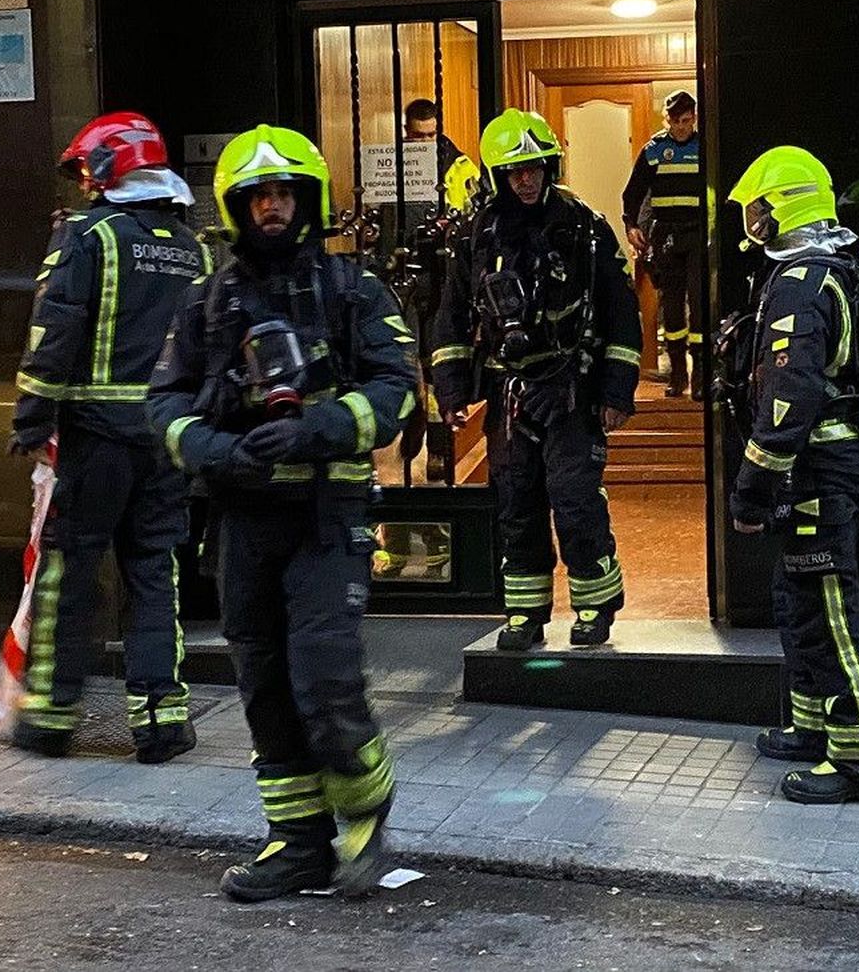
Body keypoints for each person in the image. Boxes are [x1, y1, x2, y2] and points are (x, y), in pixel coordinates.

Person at [148, 125, 419, 900]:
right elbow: (163, 403)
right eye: (259, 195)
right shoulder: (204, 303)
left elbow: (397, 387)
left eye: (285, 193)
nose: (272, 206)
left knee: (325, 680)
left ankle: (364, 815)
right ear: (236, 206)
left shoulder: (353, 289)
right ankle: (297, 843)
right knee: (263, 687)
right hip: (242, 521)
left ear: (308, 201)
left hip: (326, 517)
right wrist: (213, 450)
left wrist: (320, 426)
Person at [8, 111, 207, 764]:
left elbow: (54, 330)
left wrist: (32, 417)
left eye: (87, 173)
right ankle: (161, 723)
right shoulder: (193, 247)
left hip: (95, 439)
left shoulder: (88, 236)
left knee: (70, 574)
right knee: (155, 573)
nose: (83, 186)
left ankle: (51, 717)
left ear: (108, 167)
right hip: (166, 441)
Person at [429, 108, 642, 650]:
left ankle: (595, 606)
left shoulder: (586, 228)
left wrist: (617, 392)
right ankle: (525, 614)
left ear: (549, 167)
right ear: (498, 175)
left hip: (574, 387)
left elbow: (621, 312)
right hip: (510, 393)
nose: (527, 180)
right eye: (515, 171)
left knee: (575, 499)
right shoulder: (476, 235)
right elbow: (451, 313)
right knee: (517, 502)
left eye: (535, 168)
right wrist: (452, 389)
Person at [724, 145, 859, 804]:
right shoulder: (833, 266)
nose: (754, 219)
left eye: (759, 207)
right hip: (832, 461)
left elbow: (787, 401)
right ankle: (811, 724)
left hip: (819, 466)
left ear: (784, 205)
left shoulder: (800, 281)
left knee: (829, 610)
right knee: (797, 600)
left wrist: (751, 490)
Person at [621, 90, 704, 399]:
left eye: (685, 121)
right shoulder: (655, 149)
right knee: (671, 308)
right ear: (666, 119)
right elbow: (632, 194)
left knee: (698, 305)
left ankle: (700, 378)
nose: (680, 127)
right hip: (666, 235)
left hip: (696, 233)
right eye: (674, 121)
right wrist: (630, 226)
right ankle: (678, 376)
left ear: (694, 118)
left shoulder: (703, 146)